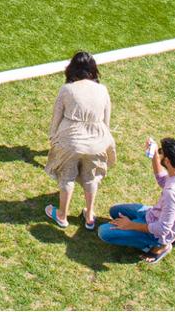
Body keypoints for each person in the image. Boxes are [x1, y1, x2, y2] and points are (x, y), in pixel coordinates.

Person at [44, 51, 115, 231]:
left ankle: (62, 215)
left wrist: (53, 137)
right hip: (97, 141)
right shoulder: (103, 90)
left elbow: (56, 117)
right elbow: (106, 122)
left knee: (67, 175)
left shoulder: (67, 89)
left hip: (71, 140)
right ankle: (90, 216)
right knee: (91, 178)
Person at [96, 137, 175, 264]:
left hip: (158, 232)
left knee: (104, 233)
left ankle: (159, 247)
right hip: (153, 214)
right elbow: (161, 180)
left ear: (168, 161)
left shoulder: (172, 193)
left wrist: (130, 225)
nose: (159, 152)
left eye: (161, 152)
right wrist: (154, 156)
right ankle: (173, 238)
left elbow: (162, 229)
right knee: (114, 211)